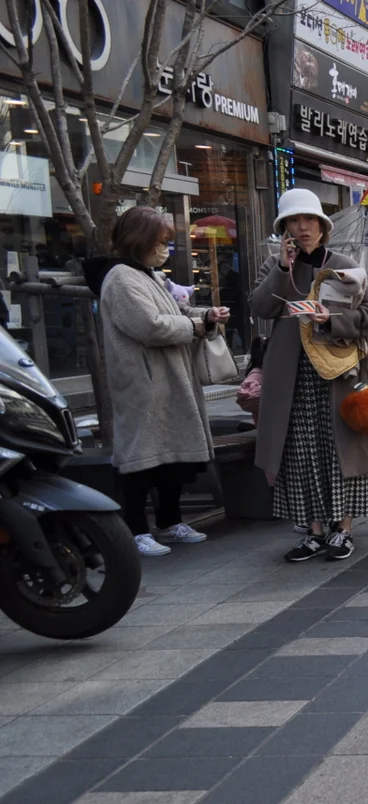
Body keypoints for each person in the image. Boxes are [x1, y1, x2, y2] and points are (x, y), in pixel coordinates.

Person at [248, 188, 368, 561]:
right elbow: (260, 307)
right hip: (292, 376)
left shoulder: (344, 263)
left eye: (310, 220)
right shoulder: (275, 266)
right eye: (295, 221)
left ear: (323, 226)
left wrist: (333, 319)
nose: (303, 227)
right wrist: (281, 268)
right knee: (301, 451)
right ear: (285, 229)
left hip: (339, 374)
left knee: (341, 448)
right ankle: (313, 530)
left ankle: (343, 528)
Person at [94, 207, 224, 557]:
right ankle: (137, 529)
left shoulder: (147, 274)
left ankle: (170, 521)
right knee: (141, 457)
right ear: (140, 240)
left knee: (171, 455)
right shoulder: (121, 278)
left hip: (167, 377)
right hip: (143, 379)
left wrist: (205, 316)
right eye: (160, 241)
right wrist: (194, 327)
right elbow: (149, 326)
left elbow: (174, 313)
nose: (164, 248)